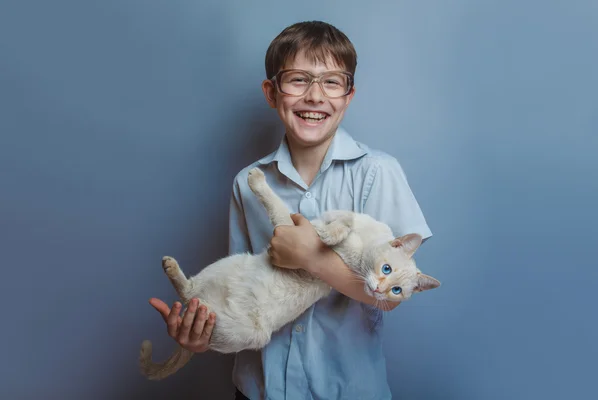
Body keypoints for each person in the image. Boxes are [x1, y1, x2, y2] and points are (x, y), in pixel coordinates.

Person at [149, 20, 432, 400]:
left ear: (348, 95)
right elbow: (239, 283)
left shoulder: (377, 172)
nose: (315, 96)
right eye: (298, 79)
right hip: (260, 389)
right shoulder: (247, 182)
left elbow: (391, 295)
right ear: (271, 92)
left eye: (332, 82)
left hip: (345, 390)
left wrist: (311, 258)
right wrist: (204, 335)